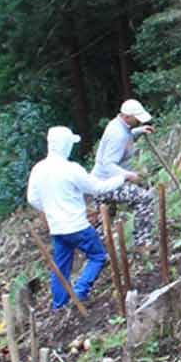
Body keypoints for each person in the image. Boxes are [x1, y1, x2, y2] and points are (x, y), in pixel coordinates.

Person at [28, 125, 129, 310]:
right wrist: (123, 179)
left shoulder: (38, 169)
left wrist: (50, 209)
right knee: (99, 256)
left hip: (57, 227)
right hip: (77, 225)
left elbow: (32, 199)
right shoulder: (71, 169)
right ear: (65, 145)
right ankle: (80, 292)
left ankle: (60, 305)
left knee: (61, 268)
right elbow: (96, 188)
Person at [92, 99, 156, 246]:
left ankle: (96, 252)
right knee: (144, 198)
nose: (139, 121)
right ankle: (143, 243)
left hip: (100, 181)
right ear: (127, 117)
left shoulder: (119, 126)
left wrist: (139, 131)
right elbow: (108, 164)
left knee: (106, 217)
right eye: (136, 119)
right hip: (105, 183)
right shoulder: (117, 134)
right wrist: (130, 176)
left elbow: (126, 136)